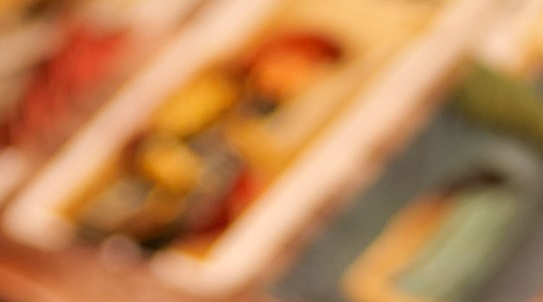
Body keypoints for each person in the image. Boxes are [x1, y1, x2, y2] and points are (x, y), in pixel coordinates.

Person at [73, 30, 346, 252]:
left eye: (307, 76)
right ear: (273, 55)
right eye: (293, 66)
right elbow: (164, 133)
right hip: (146, 196)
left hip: (182, 215)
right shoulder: (223, 87)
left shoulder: (265, 111)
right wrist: (182, 173)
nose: (295, 79)